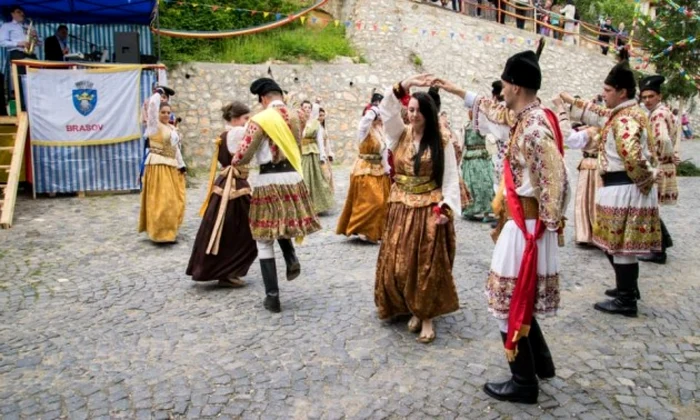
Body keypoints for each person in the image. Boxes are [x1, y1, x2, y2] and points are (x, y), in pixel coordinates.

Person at [438, 41, 569, 404]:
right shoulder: (529, 117)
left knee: (506, 302)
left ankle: (523, 381)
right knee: (517, 296)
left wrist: (545, 225)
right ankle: (540, 363)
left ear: (515, 86)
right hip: (525, 226)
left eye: (504, 83)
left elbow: (555, 180)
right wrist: (455, 89)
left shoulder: (533, 130)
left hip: (524, 228)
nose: (502, 90)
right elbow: (493, 112)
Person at [560, 62, 662, 317]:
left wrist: (643, 181)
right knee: (617, 243)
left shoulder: (626, 117)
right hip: (624, 186)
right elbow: (598, 114)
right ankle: (627, 289)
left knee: (620, 245)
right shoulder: (624, 113)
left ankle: (626, 299)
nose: (603, 94)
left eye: (607, 90)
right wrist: (571, 101)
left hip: (624, 186)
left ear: (622, 92)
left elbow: (632, 154)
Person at [374, 74, 461, 344]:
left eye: (417, 111)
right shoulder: (398, 134)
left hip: (427, 209)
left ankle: (426, 316)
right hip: (400, 207)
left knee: (425, 265)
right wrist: (405, 84)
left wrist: (446, 208)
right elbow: (386, 110)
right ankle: (409, 306)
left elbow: (449, 177)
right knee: (399, 263)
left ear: (428, 113)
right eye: (410, 110)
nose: (412, 115)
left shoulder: (442, 140)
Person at [230, 78, 322, 313]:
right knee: (283, 222)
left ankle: (273, 297)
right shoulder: (299, 116)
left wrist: (234, 162)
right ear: (280, 95)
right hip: (293, 178)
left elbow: (243, 155)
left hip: (268, 181)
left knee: (264, 236)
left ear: (262, 99)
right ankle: (291, 258)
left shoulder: (259, 120)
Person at [186, 102, 258, 287]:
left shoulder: (225, 133)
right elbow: (251, 145)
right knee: (241, 229)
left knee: (228, 228)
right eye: (245, 118)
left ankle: (226, 269)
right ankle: (227, 270)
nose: (247, 122)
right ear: (235, 119)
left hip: (228, 183)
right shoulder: (236, 132)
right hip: (233, 186)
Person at [336, 101, 391, 243]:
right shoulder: (364, 130)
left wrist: (386, 168)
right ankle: (361, 228)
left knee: (382, 202)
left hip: (378, 169)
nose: (380, 118)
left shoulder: (381, 130)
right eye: (378, 115)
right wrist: (373, 109)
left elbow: (384, 150)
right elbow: (364, 123)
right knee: (371, 202)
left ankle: (373, 231)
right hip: (364, 169)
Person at [638, 75, 678, 264]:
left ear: (659, 96)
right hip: (665, 164)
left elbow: (662, 139)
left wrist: (660, 157)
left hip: (658, 165)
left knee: (650, 207)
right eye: (644, 97)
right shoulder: (664, 110)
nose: (647, 100)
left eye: (650, 96)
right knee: (652, 207)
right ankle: (664, 241)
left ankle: (659, 250)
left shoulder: (657, 114)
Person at [138, 88, 186, 243]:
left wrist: (181, 165)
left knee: (175, 200)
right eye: (162, 112)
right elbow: (152, 105)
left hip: (171, 166)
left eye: (168, 112)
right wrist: (158, 93)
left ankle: (170, 230)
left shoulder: (171, 128)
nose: (165, 115)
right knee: (162, 201)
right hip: (158, 166)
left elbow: (175, 149)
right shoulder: (153, 126)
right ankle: (160, 233)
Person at [553, 96, 601, 246]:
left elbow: (569, 138)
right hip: (598, 166)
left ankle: (590, 234)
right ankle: (595, 234)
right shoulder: (595, 128)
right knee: (592, 200)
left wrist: (561, 111)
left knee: (590, 200)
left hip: (592, 165)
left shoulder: (593, 130)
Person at [461, 83, 497, 222]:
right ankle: (471, 209)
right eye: (470, 110)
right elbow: (462, 143)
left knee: (485, 184)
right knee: (470, 185)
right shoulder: (465, 126)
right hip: (470, 159)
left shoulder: (482, 125)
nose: (470, 113)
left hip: (481, 157)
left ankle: (488, 212)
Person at [300, 100, 334, 214]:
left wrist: (322, 155)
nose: (307, 109)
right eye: (305, 107)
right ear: (301, 109)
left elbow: (319, 139)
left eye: (309, 107)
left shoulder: (316, 123)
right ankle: (303, 207)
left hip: (313, 152)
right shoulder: (299, 123)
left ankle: (317, 206)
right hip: (302, 153)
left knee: (316, 178)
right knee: (303, 178)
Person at [0, 5, 37, 110]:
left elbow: (40, 43)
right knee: (20, 81)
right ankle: (22, 107)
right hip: (17, 53)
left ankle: (34, 105)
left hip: (31, 54)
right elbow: (2, 42)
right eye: (18, 12)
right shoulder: (7, 26)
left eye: (22, 12)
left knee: (34, 78)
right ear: (12, 14)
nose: (22, 14)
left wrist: (36, 38)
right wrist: (18, 43)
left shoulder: (27, 26)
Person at [318, 107, 335, 195]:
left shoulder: (324, 128)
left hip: (325, 152)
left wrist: (330, 153)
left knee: (328, 175)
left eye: (323, 115)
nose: (321, 117)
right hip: (319, 153)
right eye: (320, 115)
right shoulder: (316, 127)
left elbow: (327, 141)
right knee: (323, 175)